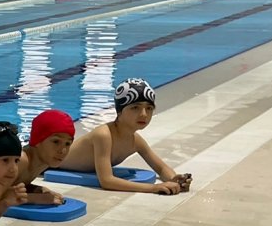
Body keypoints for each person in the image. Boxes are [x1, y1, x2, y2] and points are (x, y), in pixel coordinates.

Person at [57, 78, 190, 194]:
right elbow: (106, 181)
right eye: (135, 108)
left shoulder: (135, 140)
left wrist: (174, 179)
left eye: (149, 108)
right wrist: (153, 188)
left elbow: (161, 168)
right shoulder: (103, 135)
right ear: (119, 112)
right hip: (48, 161)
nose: (144, 114)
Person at [15, 110, 76, 203]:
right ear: (38, 140)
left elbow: (14, 185)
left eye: (67, 144)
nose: (62, 151)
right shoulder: (21, 160)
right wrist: (35, 198)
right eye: (56, 141)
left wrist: (38, 190)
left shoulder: (43, 161)